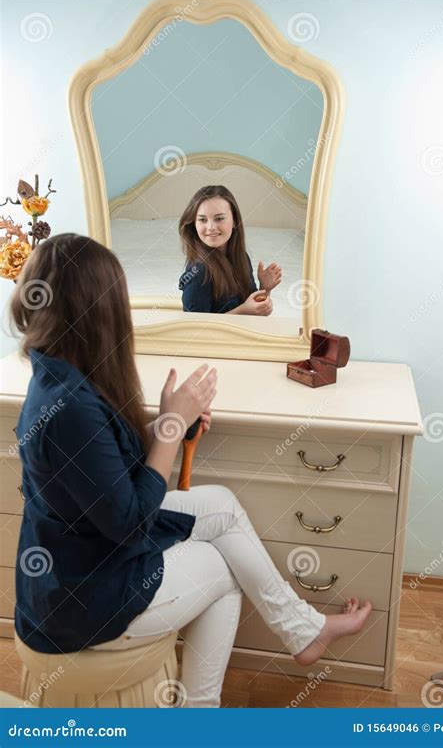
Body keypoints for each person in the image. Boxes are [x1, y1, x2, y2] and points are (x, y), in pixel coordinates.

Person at [11, 233, 372, 708]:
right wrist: (169, 430)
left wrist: (164, 422)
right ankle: (202, 714)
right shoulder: (69, 404)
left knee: (219, 504)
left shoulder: (56, 373)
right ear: (98, 309)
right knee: (226, 569)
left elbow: (98, 464)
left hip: (72, 569)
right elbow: (129, 522)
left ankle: (302, 633)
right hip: (80, 604)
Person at [178, 185, 282, 314]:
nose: (210, 227)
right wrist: (244, 310)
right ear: (194, 224)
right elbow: (195, 329)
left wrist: (265, 289)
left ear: (234, 221)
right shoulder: (199, 272)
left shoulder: (242, 258)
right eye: (202, 220)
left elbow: (252, 308)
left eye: (219, 218)